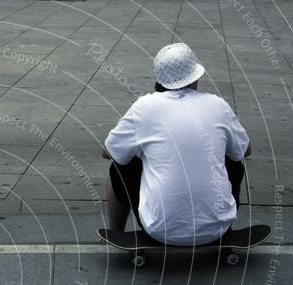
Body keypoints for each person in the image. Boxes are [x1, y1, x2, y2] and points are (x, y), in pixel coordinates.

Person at [101, 43, 251, 246]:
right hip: (217, 229)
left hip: (160, 229)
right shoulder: (218, 105)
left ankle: (116, 232)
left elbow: (108, 151)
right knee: (234, 161)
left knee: (119, 166)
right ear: (195, 77)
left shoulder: (145, 107)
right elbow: (245, 150)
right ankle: (221, 220)